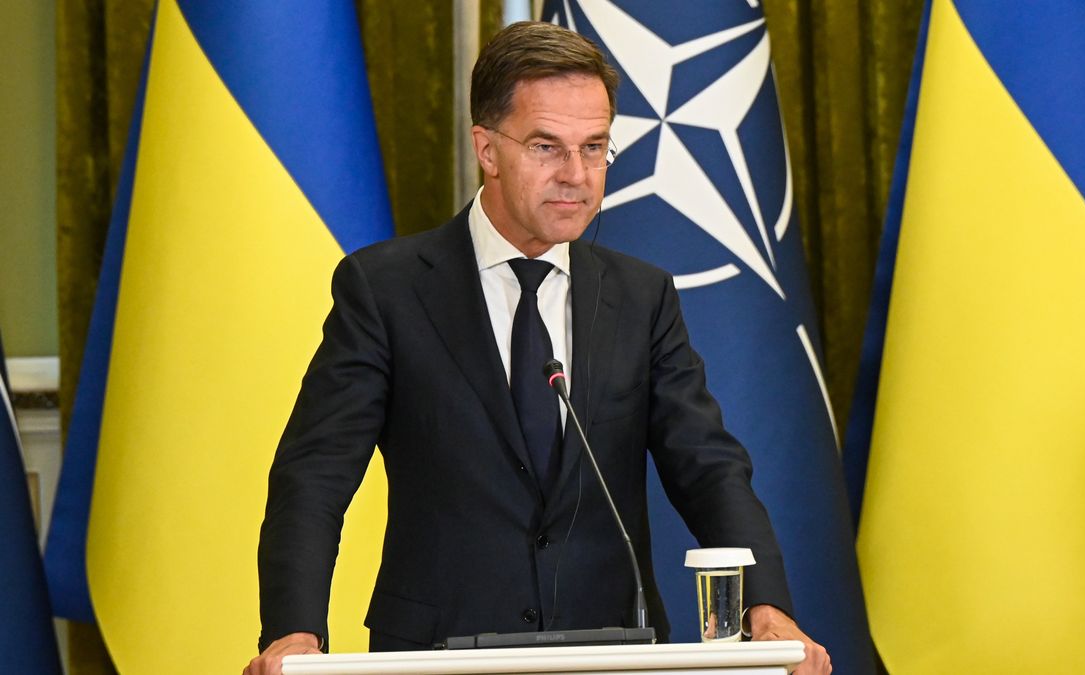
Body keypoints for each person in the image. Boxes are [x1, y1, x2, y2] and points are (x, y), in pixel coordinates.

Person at [245, 21, 831, 675]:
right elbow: (315, 475)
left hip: (611, 652)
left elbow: (708, 467)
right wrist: (294, 631)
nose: (576, 175)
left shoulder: (642, 297)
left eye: (595, 147)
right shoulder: (386, 290)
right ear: (487, 149)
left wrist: (765, 604)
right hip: (437, 655)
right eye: (547, 146)